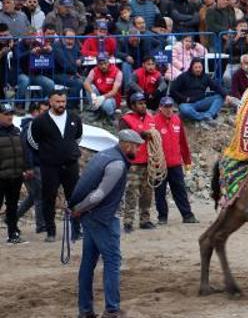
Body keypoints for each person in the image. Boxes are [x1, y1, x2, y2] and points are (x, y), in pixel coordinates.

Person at [70, 129, 144, 318]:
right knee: (112, 261)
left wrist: (79, 209)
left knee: (88, 263)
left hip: (90, 217)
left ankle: (85, 310)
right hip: (102, 218)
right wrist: (80, 208)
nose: (137, 150)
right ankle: (112, 309)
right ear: (127, 145)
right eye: (136, 146)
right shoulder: (118, 164)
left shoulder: (103, 155)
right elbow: (99, 195)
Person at [27, 90, 84, 242]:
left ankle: (77, 230)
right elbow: (32, 142)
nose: (61, 104)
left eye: (63, 101)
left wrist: (68, 151)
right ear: (50, 102)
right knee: (49, 197)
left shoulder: (74, 118)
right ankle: (51, 232)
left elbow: (78, 138)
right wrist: (48, 153)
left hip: (71, 164)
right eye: (57, 101)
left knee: (75, 197)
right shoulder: (39, 120)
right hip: (50, 166)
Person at [153, 97, 199, 225]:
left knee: (180, 191)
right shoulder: (154, 122)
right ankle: (162, 217)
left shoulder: (177, 120)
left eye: (170, 106)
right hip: (159, 164)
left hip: (175, 164)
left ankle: (187, 215)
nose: (168, 109)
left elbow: (183, 142)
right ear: (160, 108)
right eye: (166, 107)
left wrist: (187, 160)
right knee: (159, 192)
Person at [118, 92, 156, 233]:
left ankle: (145, 219)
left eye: (144, 103)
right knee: (132, 192)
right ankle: (128, 221)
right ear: (133, 105)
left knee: (147, 192)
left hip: (149, 160)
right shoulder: (126, 120)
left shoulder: (151, 119)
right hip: (133, 162)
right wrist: (141, 135)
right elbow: (123, 138)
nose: (143, 106)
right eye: (140, 103)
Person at [0, 102, 33, 244]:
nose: (9, 117)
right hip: (1, 177)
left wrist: (26, 168)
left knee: (12, 206)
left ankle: (13, 233)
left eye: (11, 114)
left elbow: (23, 152)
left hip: (15, 175)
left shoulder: (16, 131)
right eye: (6, 114)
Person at [18, 101, 49, 234]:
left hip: (36, 165)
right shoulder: (31, 127)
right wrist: (29, 167)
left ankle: (12, 218)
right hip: (33, 166)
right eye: (43, 111)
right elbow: (26, 149)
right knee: (39, 196)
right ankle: (41, 225)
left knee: (34, 196)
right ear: (35, 112)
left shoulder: (34, 125)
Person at [169, 58, 228, 124]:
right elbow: (172, 90)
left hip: (202, 102)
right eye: (196, 67)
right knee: (184, 109)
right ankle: (204, 117)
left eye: (200, 67)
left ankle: (208, 114)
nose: (198, 69)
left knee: (220, 97)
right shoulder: (183, 76)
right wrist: (184, 99)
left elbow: (216, 87)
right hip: (187, 104)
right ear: (191, 67)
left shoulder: (205, 77)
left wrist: (226, 95)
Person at [83, 53, 123, 122]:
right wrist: (93, 94)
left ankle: (110, 116)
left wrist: (103, 97)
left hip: (112, 98)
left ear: (109, 62)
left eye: (105, 63)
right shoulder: (94, 70)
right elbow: (86, 83)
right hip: (99, 94)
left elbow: (114, 91)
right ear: (97, 64)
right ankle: (96, 111)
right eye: (100, 64)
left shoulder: (117, 72)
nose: (103, 66)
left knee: (107, 104)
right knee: (90, 87)